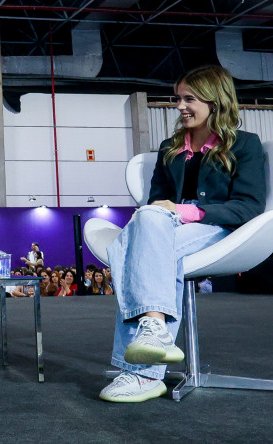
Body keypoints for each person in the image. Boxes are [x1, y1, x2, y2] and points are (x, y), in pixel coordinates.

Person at [99, 66, 266, 403]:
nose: (179, 106)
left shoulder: (245, 145)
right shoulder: (169, 148)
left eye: (189, 98)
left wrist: (186, 211)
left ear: (215, 102)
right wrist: (165, 213)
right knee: (150, 231)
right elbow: (154, 203)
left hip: (219, 229)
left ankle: (141, 374)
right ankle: (154, 337)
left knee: (142, 251)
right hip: (168, 227)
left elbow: (248, 207)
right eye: (178, 98)